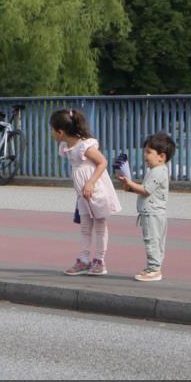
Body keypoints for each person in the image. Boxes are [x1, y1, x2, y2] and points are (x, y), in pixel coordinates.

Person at [50, 108, 121, 276]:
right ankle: (84, 259)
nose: (51, 133)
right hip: (82, 193)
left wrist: (90, 183)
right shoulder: (66, 145)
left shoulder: (85, 146)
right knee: (85, 226)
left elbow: (102, 162)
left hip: (95, 190)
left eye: (52, 129)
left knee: (100, 225)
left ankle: (100, 260)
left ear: (60, 132)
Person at [117, 132, 176, 282]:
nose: (145, 155)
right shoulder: (159, 171)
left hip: (152, 213)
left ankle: (154, 269)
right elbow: (145, 190)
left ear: (161, 156)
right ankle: (154, 267)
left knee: (151, 240)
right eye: (145, 151)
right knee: (156, 241)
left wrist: (130, 184)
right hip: (154, 213)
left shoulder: (158, 171)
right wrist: (130, 187)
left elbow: (146, 190)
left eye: (149, 152)